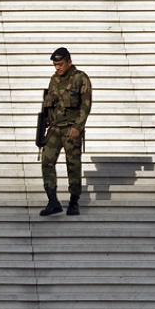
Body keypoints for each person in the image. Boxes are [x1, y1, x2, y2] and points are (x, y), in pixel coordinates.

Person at [39, 47, 92, 217]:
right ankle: (52, 200)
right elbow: (48, 103)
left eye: (61, 64)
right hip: (54, 128)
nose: (58, 68)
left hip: (71, 128)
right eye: (55, 65)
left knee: (73, 165)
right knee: (47, 162)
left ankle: (74, 201)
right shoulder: (54, 79)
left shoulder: (80, 78)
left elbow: (86, 105)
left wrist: (78, 126)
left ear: (69, 61)